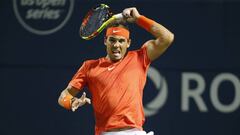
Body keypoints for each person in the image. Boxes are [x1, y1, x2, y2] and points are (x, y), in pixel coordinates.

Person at [58, 7, 174, 135]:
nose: (116, 45)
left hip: (134, 132)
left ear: (128, 43)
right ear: (105, 41)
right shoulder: (89, 67)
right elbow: (63, 95)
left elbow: (167, 37)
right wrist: (71, 101)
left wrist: (139, 19)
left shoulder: (140, 58)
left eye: (121, 41)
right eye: (112, 40)